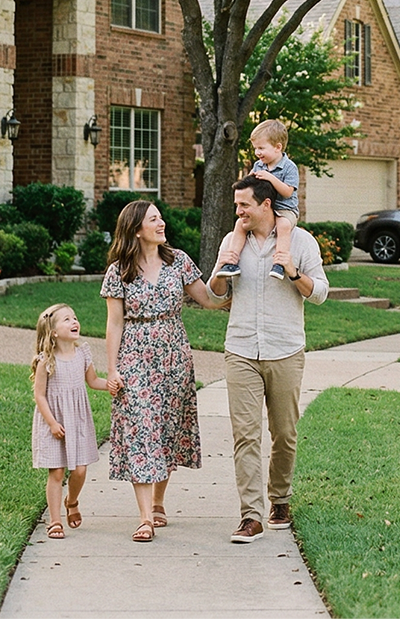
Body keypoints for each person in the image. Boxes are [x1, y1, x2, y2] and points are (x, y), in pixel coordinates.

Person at [205, 176, 328, 543]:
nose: (238, 212)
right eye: (236, 205)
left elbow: (320, 293)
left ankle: (280, 498)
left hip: (285, 349)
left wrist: (291, 270)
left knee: (284, 434)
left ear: (265, 205)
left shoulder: (300, 241)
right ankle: (251, 516)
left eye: (244, 205)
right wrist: (221, 272)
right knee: (245, 435)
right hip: (241, 348)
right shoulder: (233, 240)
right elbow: (215, 293)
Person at [101, 199, 230, 542]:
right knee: (142, 429)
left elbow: (211, 300)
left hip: (175, 358)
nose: (161, 224)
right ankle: (144, 517)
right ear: (136, 230)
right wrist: (111, 368)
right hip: (135, 357)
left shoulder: (179, 262)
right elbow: (114, 324)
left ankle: (158, 501)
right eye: (153, 220)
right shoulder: (119, 271)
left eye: (160, 218)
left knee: (166, 431)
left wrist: (229, 274)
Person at [31, 303, 108, 539]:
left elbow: (93, 381)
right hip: (54, 422)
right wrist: (52, 423)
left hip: (78, 421)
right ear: (53, 331)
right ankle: (55, 521)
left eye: (74, 318)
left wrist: (112, 385)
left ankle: (72, 501)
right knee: (56, 472)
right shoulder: (46, 360)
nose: (74, 322)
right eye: (67, 320)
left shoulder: (83, 354)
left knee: (80, 471)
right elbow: (39, 395)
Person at [218, 119, 299, 282]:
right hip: (264, 210)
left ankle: (280, 263)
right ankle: (232, 262)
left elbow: (288, 192)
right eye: (256, 148)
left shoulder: (289, 167)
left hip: (284, 210)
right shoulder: (259, 165)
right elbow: (250, 183)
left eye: (261, 148)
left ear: (278, 147)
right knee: (239, 225)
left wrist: (270, 178)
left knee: (283, 226)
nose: (257, 152)